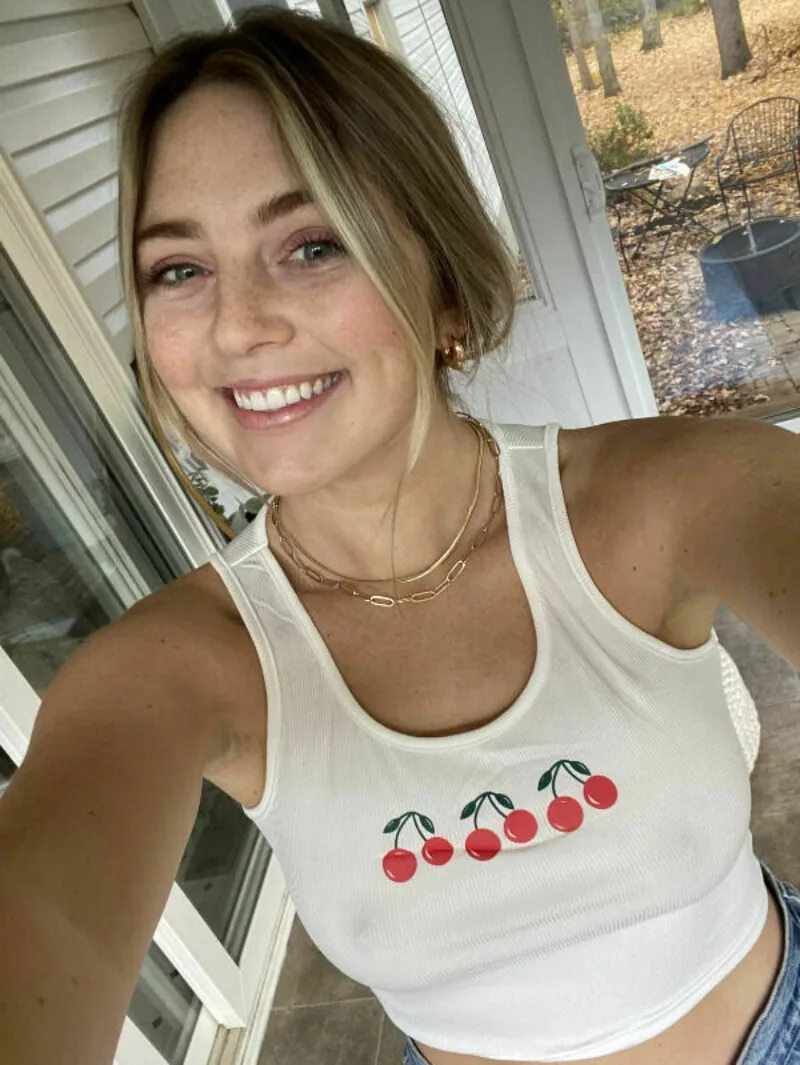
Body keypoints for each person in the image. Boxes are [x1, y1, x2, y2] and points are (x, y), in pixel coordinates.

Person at [1, 8, 799, 1065]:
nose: (238, 325)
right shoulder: (169, 671)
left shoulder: (674, 493)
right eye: (179, 270)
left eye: (311, 245)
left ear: (442, 285)